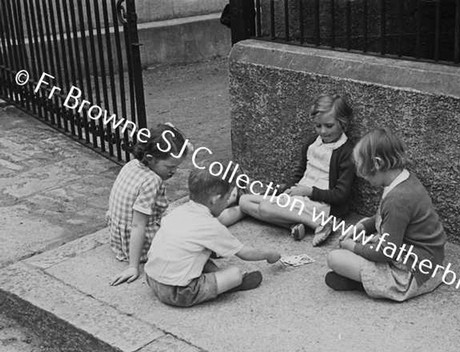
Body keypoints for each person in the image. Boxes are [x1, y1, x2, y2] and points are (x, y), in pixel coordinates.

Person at [326, 128, 447, 301]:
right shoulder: (404, 180)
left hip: (414, 273)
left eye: (362, 169)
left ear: (377, 163)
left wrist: (352, 247)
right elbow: (388, 218)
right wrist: (363, 226)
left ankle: (370, 284)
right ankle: (361, 280)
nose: (362, 176)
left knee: (335, 258)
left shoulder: (397, 199)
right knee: (358, 245)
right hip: (429, 262)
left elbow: (387, 252)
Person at [144, 167, 281, 307]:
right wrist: (269, 254)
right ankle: (228, 285)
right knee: (235, 274)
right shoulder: (210, 226)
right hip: (178, 292)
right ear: (215, 199)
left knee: (197, 254)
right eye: (227, 199)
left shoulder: (177, 212)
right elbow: (245, 253)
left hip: (151, 277)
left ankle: (215, 277)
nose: (227, 203)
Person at [239, 93, 355, 246]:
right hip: (298, 199)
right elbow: (299, 174)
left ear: (343, 123)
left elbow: (341, 194)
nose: (323, 131)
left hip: (321, 206)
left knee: (265, 207)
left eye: (329, 126)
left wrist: (309, 192)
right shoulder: (311, 144)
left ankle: (318, 222)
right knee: (244, 200)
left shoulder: (347, 152)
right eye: (318, 126)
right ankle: (296, 224)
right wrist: (286, 189)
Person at [108, 123, 188, 286]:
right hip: (141, 244)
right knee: (191, 227)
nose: (174, 172)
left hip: (118, 239)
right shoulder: (152, 181)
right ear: (151, 159)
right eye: (171, 167)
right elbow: (138, 225)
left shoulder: (133, 164)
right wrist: (133, 267)